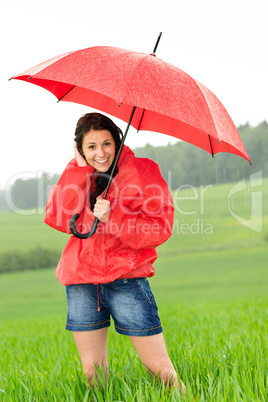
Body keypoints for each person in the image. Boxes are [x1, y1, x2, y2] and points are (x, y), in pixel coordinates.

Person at [44, 112, 186, 395]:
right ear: (80, 149)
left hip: (126, 281)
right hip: (81, 281)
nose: (101, 153)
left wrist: (115, 220)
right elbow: (58, 217)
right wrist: (80, 169)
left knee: (161, 370)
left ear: (117, 140)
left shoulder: (142, 171)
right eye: (91, 146)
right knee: (93, 375)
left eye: (107, 143)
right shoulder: (77, 172)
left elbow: (160, 227)